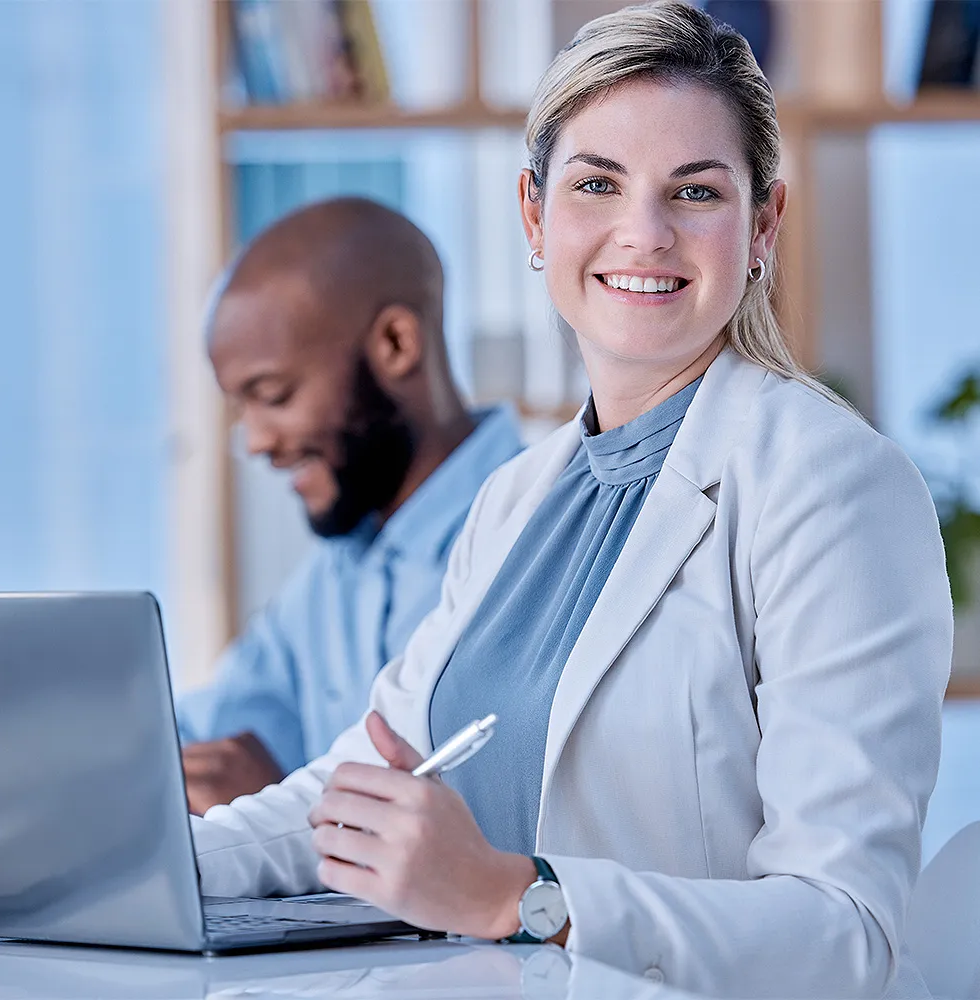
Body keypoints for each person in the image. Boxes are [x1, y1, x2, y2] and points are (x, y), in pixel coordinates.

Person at [188, 5, 953, 996]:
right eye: (597, 183)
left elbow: (844, 934)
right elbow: (359, 784)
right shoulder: (517, 496)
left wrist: (520, 897)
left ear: (762, 222)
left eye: (695, 191)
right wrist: (139, 867)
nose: (644, 232)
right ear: (534, 216)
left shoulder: (831, 485)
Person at [177, 197, 522, 815]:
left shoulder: (534, 535)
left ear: (395, 343)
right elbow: (204, 733)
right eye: (242, 407)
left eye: (274, 395)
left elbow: (494, 822)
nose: (256, 442)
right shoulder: (333, 576)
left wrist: (281, 812)